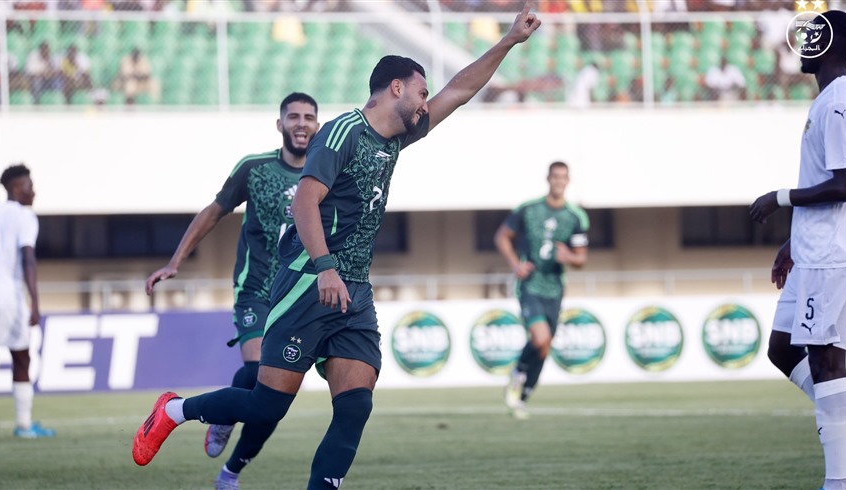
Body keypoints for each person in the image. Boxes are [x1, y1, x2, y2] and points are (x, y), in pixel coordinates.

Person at [132, 4, 541, 489]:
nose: (427, 102)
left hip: (354, 291)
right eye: (421, 92)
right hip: (308, 281)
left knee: (355, 405)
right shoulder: (342, 132)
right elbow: (305, 202)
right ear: (396, 88)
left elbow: (460, 91)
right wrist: (325, 266)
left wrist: (508, 41)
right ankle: (174, 410)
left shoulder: (398, 137)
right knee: (267, 405)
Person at [144, 92, 320, 490]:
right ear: (280, 124)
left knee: (275, 397)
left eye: (308, 117)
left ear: (318, 126)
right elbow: (214, 211)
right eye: (293, 116)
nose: (301, 123)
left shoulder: (325, 173)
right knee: (259, 374)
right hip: (256, 289)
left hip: (298, 296)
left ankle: (231, 472)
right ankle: (222, 416)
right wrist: (175, 261)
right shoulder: (255, 168)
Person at [748, 10, 846, 490]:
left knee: (828, 362)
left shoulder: (840, 101)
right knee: (782, 348)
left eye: (815, 37)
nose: (806, 43)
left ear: (835, 46)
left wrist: (780, 198)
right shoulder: (826, 99)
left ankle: (840, 480)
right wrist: (794, 238)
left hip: (830, 256)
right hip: (810, 249)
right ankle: (844, 419)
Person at [496, 161, 589, 420]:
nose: (559, 181)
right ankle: (517, 373)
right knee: (540, 338)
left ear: (568, 181)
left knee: (545, 346)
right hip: (530, 285)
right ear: (548, 178)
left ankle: (523, 397)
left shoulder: (575, 217)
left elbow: (581, 258)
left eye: (563, 177)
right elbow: (502, 236)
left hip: (555, 288)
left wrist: (569, 257)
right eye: (555, 176)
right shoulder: (529, 209)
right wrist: (515, 264)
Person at [0, 164, 55, 439]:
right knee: (21, 357)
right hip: (7, 293)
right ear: (16, 188)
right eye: (29, 186)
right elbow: (28, 259)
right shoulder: (24, 216)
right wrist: (35, 302)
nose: (34, 191)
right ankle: (24, 425)